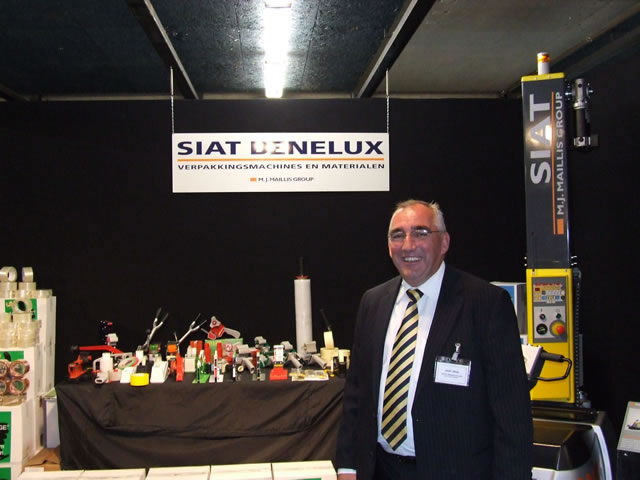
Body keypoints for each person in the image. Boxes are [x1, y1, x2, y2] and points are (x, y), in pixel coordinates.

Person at [336, 199, 533, 480]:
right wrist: (348, 467)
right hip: (380, 470)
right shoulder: (373, 302)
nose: (408, 245)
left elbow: (512, 415)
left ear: (444, 242)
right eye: (397, 235)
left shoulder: (486, 304)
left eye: (421, 233)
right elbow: (356, 394)